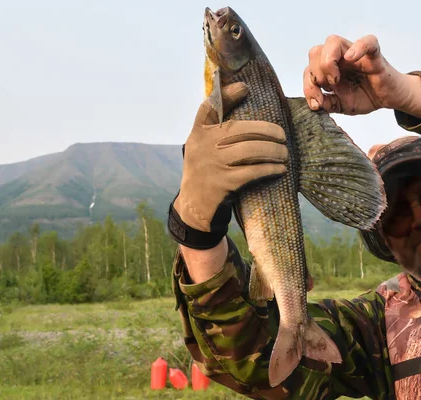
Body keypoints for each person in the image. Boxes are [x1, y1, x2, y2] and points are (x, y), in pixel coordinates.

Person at [168, 34, 421, 399]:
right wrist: (196, 231)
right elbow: (252, 360)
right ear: (384, 239)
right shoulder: (380, 325)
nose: (417, 221)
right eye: (397, 213)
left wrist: (410, 95)